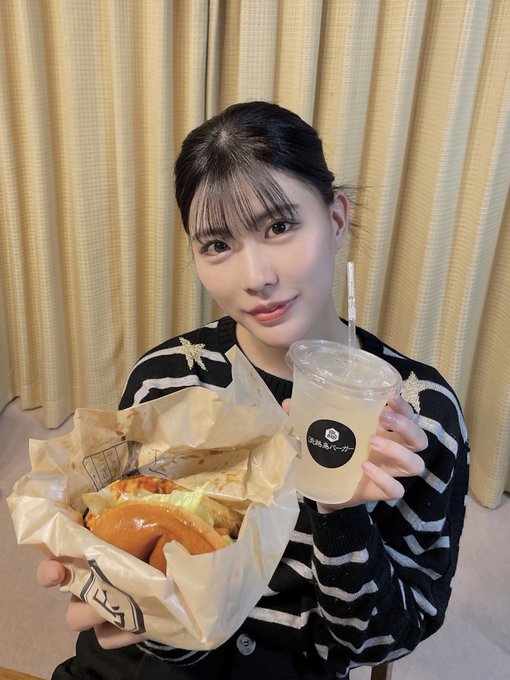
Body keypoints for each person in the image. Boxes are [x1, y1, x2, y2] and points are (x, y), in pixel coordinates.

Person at [37, 101, 469, 680]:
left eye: (280, 226)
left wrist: (341, 512)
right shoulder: (167, 381)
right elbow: (138, 567)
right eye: (217, 244)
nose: (256, 277)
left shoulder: (418, 417)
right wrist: (113, 587)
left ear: (336, 220)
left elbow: (380, 643)